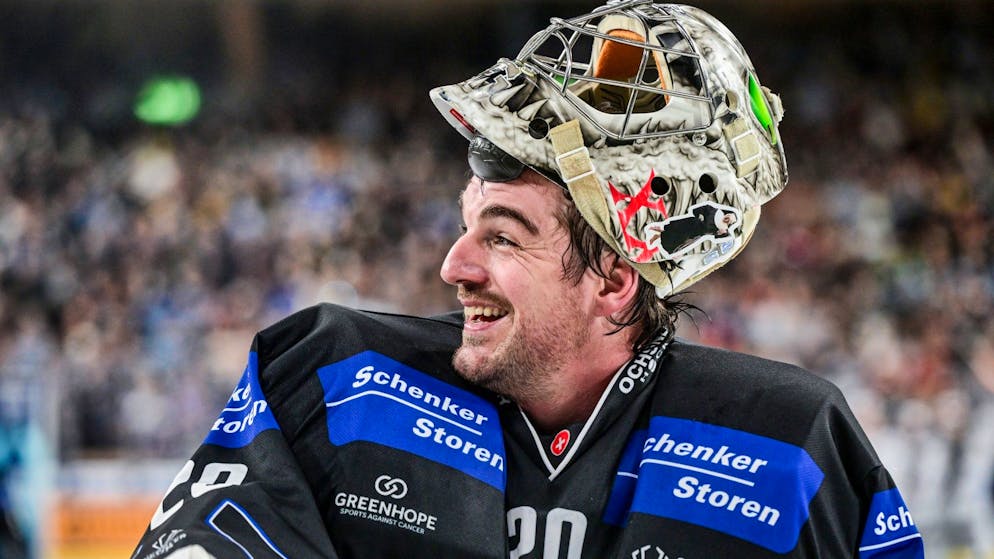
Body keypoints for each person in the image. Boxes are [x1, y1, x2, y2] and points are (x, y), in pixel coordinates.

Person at [133, 1, 924, 557]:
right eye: (467, 220)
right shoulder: (336, 380)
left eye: (503, 236)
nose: (454, 265)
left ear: (615, 275)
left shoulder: (793, 450)